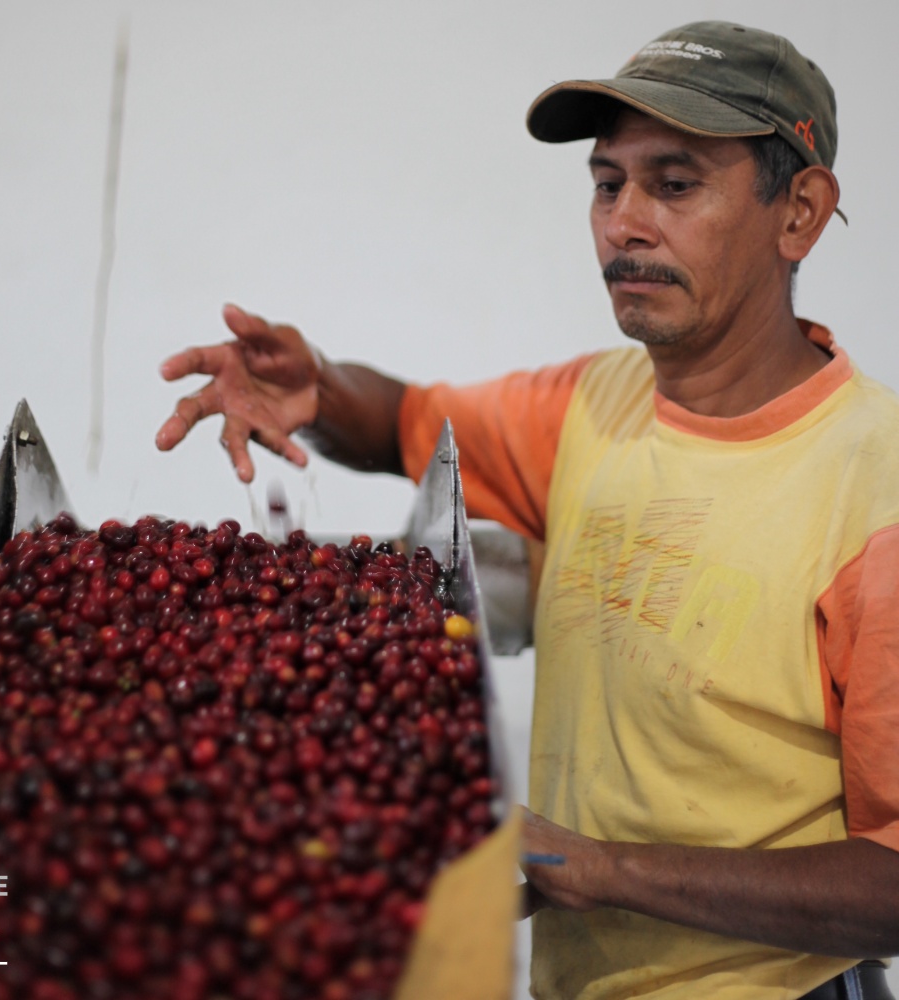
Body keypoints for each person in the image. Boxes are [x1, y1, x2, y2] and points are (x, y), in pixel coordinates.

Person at [155, 20, 899, 1000]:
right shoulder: (594, 404)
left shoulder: (874, 489)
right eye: (607, 184)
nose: (624, 223)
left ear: (798, 213)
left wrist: (591, 869)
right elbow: (405, 422)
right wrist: (317, 388)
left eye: (675, 185)